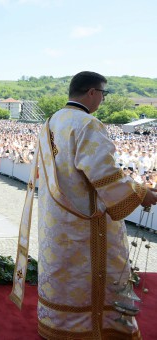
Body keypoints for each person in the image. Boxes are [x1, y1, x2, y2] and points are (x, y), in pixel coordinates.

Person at [23, 71, 157, 338]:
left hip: (56, 219)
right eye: (104, 95)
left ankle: (58, 325)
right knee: (93, 276)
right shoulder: (87, 123)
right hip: (87, 222)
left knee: (62, 273)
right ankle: (92, 328)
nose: (103, 101)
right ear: (92, 92)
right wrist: (141, 192)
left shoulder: (51, 122)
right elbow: (103, 173)